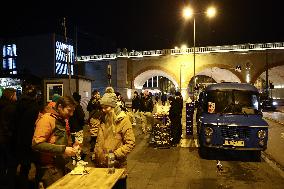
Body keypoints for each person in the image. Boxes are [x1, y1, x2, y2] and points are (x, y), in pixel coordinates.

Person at [93, 87, 135, 189]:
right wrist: (96, 153)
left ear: (113, 107)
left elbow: (130, 143)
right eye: (102, 107)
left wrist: (114, 155)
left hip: (117, 167)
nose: (103, 110)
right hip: (101, 166)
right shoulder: (103, 119)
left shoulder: (124, 120)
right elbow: (99, 140)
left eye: (106, 107)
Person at [32, 96, 78, 188]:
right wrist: (64, 149)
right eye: (69, 110)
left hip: (58, 165)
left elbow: (57, 139)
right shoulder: (47, 119)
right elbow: (37, 144)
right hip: (48, 168)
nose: (72, 114)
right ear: (60, 107)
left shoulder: (60, 118)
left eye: (73, 111)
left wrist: (72, 146)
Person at [14, 84, 41, 189]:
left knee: (24, 166)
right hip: (32, 139)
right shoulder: (35, 107)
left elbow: (15, 122)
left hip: (20, 139)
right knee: (38, 164)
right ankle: (36, 185)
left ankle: (22, 185)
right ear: (35, 95)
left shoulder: (18, 105)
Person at [0, 88, 18, 189]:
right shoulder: (11, 108)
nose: (16, 97)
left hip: (2, 138)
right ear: (11, 96)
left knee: (2, 162)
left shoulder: (2, 104)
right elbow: (11, 125)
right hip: (6, 139)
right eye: (15, 95)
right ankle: (10, 184)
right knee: (11, 163)